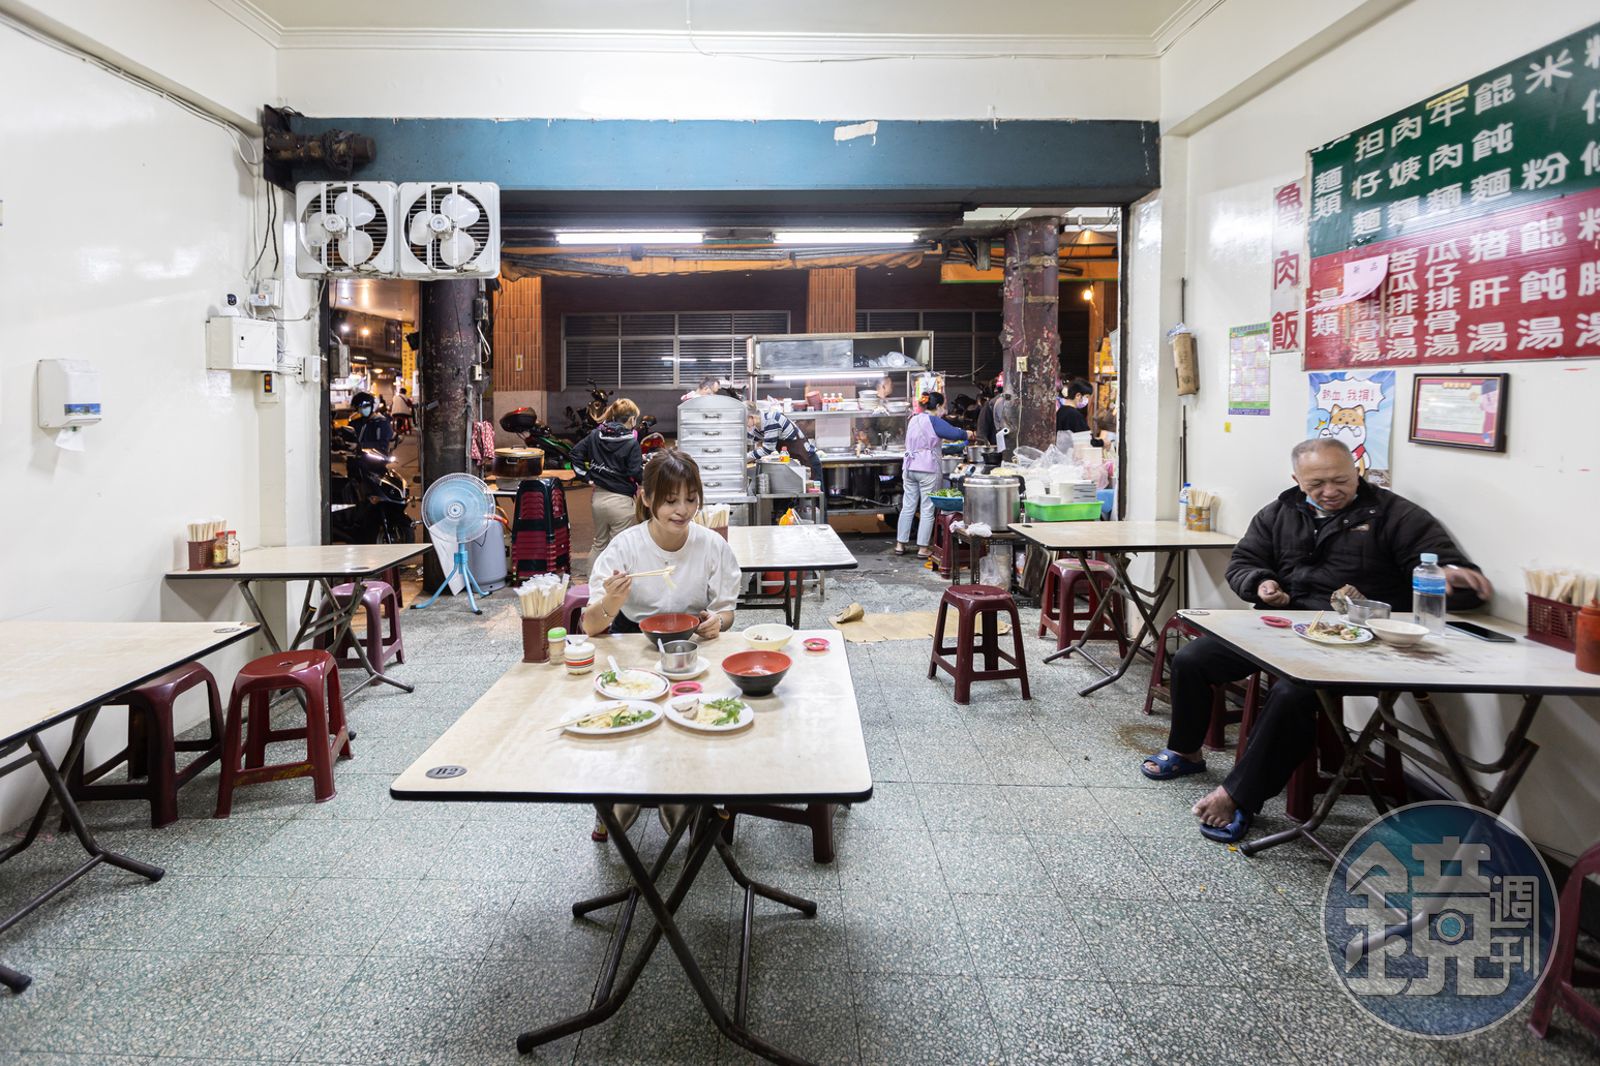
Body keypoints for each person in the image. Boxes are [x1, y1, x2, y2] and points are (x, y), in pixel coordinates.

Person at [1139, 438, 1493, 843]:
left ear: (1357, 470)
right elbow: (1243, 562)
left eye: (1340, 480)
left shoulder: (1396, 516)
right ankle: (1186, 751)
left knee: (1294, 692)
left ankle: (1239, 797)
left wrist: (1457, 581)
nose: (1330, 491)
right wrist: (1260, 583)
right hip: (1285, 624)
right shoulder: (1279, 512)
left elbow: (1447, 575)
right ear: (1297, 480)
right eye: (1316, 484)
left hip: (1359, 638)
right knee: (1193, 659)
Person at [580, 448, 742, 840]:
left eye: (691, 499)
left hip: (692, 648)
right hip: (632, 646)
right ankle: (621, 795)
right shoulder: (625, 547)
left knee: (697, 718)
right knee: (629, 719)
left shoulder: (711, 545)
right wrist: (611, 601)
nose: (682, 510)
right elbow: (590, 626)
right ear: (647, 498)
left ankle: (684, 794)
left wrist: (717, 622)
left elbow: (726, 611)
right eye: (670, 500)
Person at [570, 397, 645, 561]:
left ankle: (594, 577)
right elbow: (635, 473)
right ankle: (612, 578)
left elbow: (575, 453)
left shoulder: (595, 435)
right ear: (632, 419)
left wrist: (586, 477)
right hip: (621, 502)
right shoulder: (631, 442)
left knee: (599, 545)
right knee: (619, 548)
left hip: (598, 500)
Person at [896, 391, 970, 558]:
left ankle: (900, 544)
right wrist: (968, 434)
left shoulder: (913, 418)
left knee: (908, 506)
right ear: (937, 406)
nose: (944, 410)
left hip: (909, 466)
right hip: (926, 468)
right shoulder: (934, 420)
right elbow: (955, 434)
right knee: (927, 508)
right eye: (943, 406)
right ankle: (923, 548)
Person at [747, 403, 825, 484]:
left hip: (808, 462)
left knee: (814, 491)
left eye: (745, 420)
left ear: (752, 417)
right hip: (797, 464)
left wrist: (745, 458)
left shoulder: (771, 421)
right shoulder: (760, 425)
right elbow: (751, 438)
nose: (745, 424)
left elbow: (767, 449)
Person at [1055, 378, 1093, 450]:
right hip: (1072, 454)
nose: (1087, 400)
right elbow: (1088, 439)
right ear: (1078, 395)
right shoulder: (1075, 415)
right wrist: (1102, 442)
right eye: (1087, 397)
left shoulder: (1060, 411)